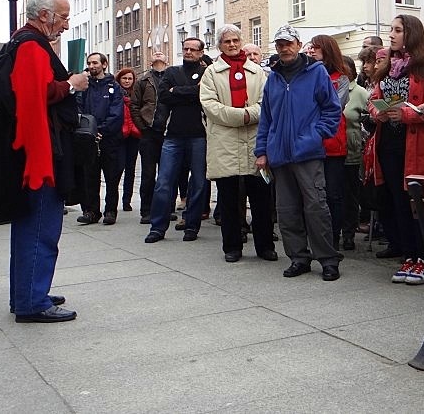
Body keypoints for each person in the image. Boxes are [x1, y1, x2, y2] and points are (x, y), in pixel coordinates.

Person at [0, 0, 88, 322]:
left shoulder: (20, 41)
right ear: (44, 16)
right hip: (38, 156)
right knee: (41, 228)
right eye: (63, 17)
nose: (66, 25)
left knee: (30, 227)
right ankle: (32, 300)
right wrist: (72, 84)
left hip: (30, 153)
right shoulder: (31, 46)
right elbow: (35, 98)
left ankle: (28, 291)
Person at [254, 25, 342, 282]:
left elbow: (332, 109)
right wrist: (262, 150)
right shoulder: (273, 78)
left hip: (307, 153)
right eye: (280, 44)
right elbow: (266, 119)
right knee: (287, 209)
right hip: (279, 155)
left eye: (288, 43)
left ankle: (327, 259)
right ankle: (298, 258)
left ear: (298, 44)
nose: (284, 48)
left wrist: (315, 135)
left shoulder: (316, 73)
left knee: (316, 207)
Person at [367, 15, 424, 284]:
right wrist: (378, 112)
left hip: (416, 144)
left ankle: (423, 258)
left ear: (411, 33)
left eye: (397, 30)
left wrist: (407, 116)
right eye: (391, 30)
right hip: (389, 143)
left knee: (416, 204)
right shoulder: (387, 68)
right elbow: (374, 99)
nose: (391, 35)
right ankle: (409, 256)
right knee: (398, 201)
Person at [200, 25, 276, 263]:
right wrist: (240, 115)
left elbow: (267, 102)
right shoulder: (211, 73)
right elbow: (209, 105)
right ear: (219, 45)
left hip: (255, 140)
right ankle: (232, 246)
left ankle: (265, 246)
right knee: (229, 199)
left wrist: (249, 114)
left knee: (262, 198)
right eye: (226, 42)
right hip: (224, 142)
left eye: (235, 40)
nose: (232, 45)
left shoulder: (257, 72)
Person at [144, 38, 209, 244]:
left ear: (201, 52)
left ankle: (191, 224)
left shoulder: (208, 73)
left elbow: (205, 95)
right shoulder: (172, 72)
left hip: (200, 135)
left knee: (198, 182)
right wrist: (190, 90)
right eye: (185, 49)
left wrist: (177, 91)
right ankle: (158, 227)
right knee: (164, 182)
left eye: (193, 49)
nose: (188, 52)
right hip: (173, 135)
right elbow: (163, 96)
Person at [309, 34, 350, 250]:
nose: (312, 51)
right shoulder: (305, 74)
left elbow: (333, 106)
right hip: (311, 145)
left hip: (333, 144)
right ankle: (317, 237)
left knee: (333, 194)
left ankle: (333, 237)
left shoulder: (340, 78)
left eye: (317, 48)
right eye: (311, 48)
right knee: (314, 195)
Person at [75, 53, 124, 225]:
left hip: (109, 139)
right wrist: (88, 131)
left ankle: (110, 211)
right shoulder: (84, 86)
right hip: (88, 139)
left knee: (111, 177)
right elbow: (79, 110)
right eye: (89, 63)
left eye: (95, 62)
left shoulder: (114, 87)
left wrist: (102, 130)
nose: (91, 66)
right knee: (90, 177)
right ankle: (91, 211)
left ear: (104, 64)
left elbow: (117, 113)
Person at [130, 51, 168, 224]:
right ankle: (146, 210)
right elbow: (134, 106)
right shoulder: (142, 81)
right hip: (149, 132)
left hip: (168, 132)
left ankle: (165, 209)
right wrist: (143, 127)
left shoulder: (172, 77)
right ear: (150, 60)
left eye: (162, 53)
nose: (158, 55)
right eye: (154, 53)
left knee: (166, 174)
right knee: (148, 173)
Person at [340, 55, 369, 251]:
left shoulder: (359, 92)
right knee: (333, 193)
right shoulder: (329, 87)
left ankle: (349, 233)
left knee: (350, 194)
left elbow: (368, 118)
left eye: (345, 68)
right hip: (330, 148)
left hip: (351, 148)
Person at [115, 68, 141, 211]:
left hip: (134, 135)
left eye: (129, 79)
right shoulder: (115, 93)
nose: (126, 81)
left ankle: (127, 200)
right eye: (124, 78)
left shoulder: (137, 94)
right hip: (120, 134)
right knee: (118, 167)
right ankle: (114, 199)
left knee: (130, 169)